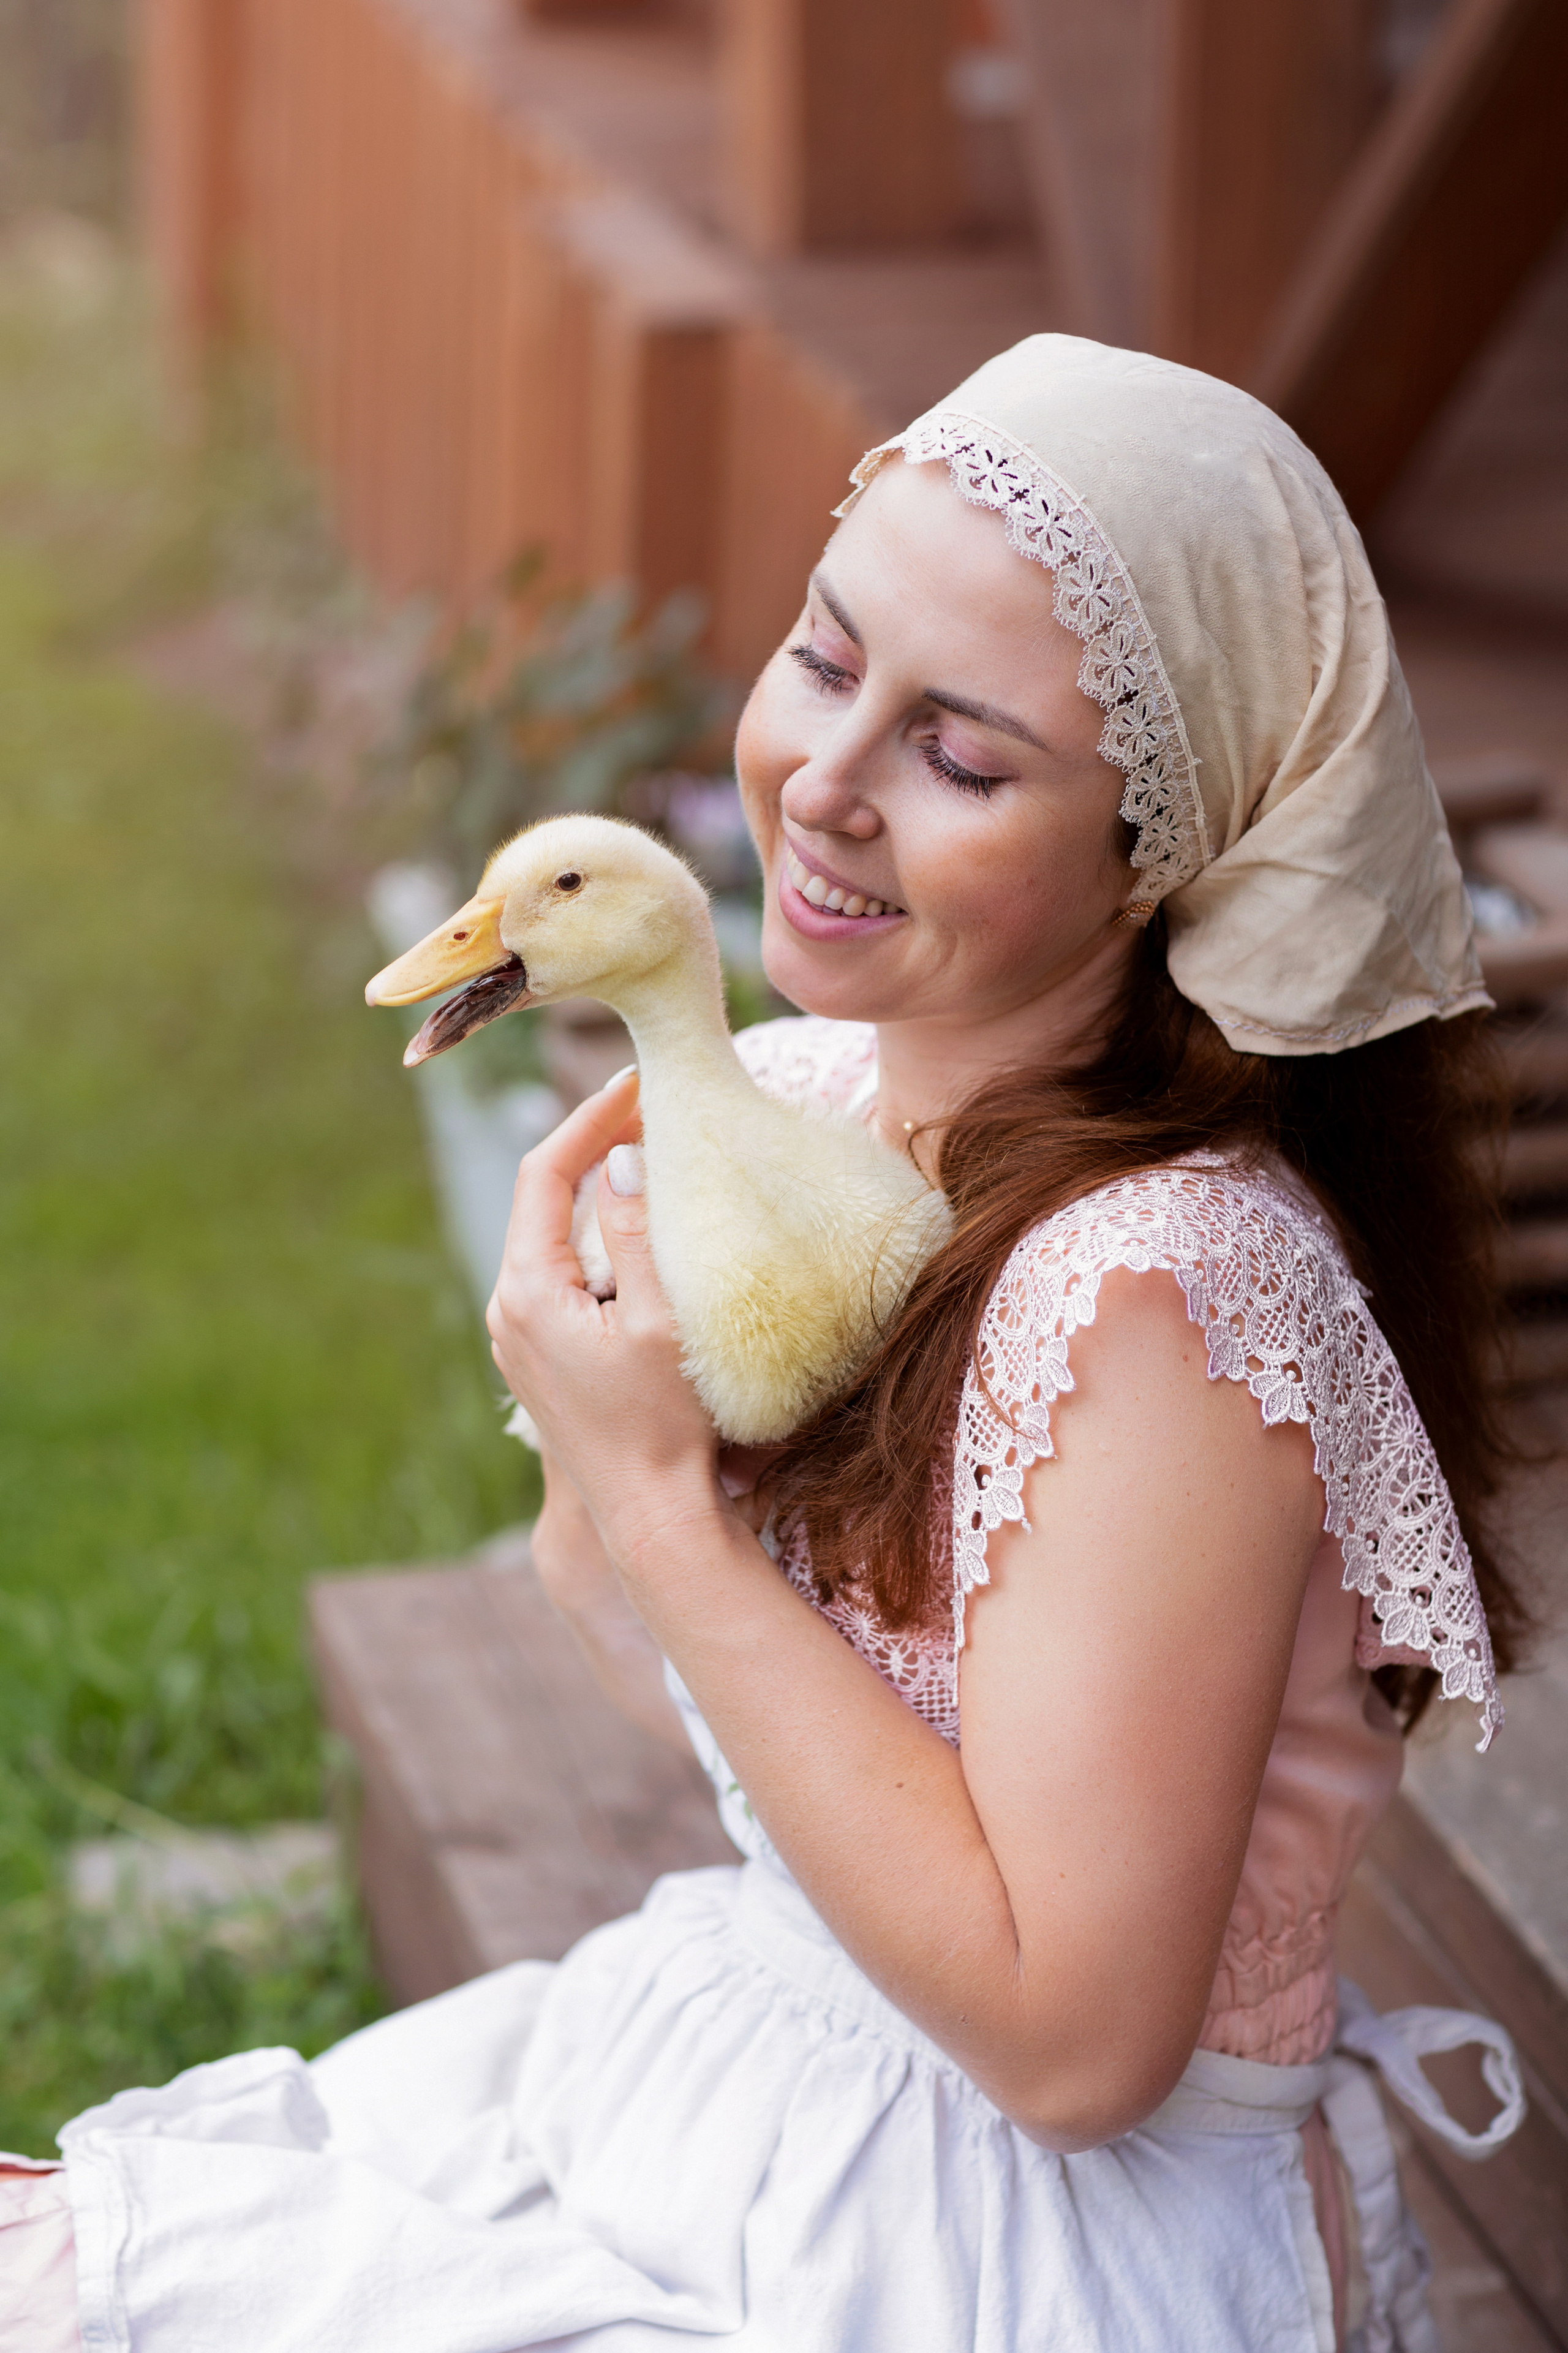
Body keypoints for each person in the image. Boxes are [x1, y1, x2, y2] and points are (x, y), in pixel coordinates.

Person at [5, 336, 1534, 2352]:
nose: (823, 781)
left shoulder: (1166, 1293)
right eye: (826, 657)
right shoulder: (812, 1100)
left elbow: (1075, 2049)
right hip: (768, 2060)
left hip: (1014, 2246)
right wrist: (599, 1448)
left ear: (1165, 854)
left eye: (961, 759)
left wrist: (658, 1496)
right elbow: (703, 1713)